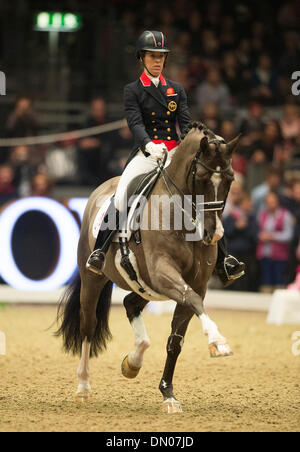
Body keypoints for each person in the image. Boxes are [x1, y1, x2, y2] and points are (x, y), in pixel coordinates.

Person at [86, 30, 245, 286]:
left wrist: (199, 141)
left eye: (161, 56)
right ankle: (100, 251)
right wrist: (149, 145)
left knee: (205, 194)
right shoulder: (133, 90)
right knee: (124, 191)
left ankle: (225, 259)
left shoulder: (176, 89)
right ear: (142, 58)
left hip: (174, 153)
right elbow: (136, 124)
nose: (157, 61)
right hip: (147, 152)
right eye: (152, 56)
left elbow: (185, 124)